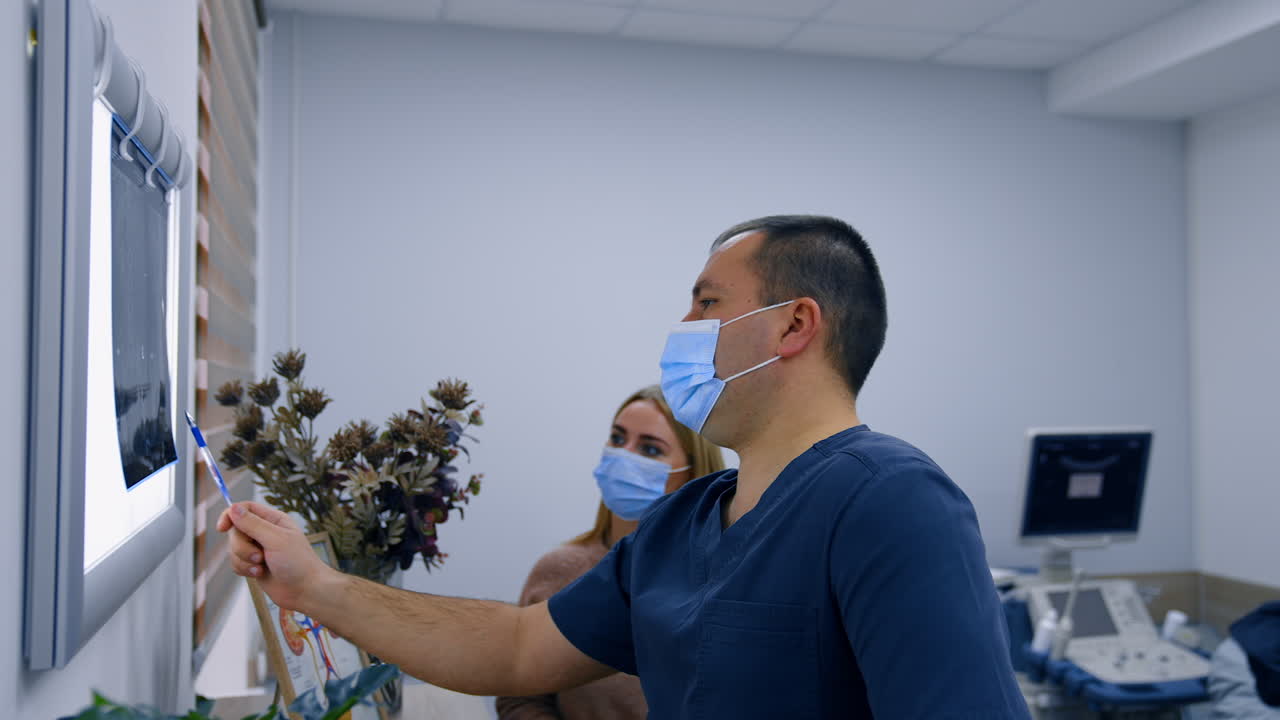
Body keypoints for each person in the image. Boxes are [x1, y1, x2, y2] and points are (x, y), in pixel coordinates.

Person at [220, 215, 1031, 719]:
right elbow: (516, 649)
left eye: (707, 303)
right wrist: (316, 587)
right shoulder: (686, 520)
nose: (681, 325)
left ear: (793, 326)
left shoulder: (891, 503)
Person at [496, 385, 725, 719]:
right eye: (617, 439)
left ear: (693, 470)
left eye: (649, 449)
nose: (625, 456)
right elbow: (519, 698)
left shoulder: (718, 581)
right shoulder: (559, 570)